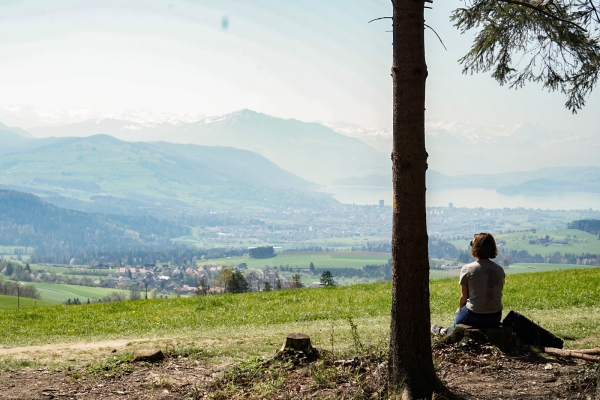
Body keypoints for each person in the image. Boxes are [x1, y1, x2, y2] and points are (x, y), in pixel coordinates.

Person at [431, 232, 505, 336]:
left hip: (474, 315)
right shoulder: (499, 269)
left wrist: (460, 309)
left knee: (457, 326)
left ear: (476, 247)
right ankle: (443, 331)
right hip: (495, 316)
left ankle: (443, 332)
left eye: (472, 243)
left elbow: (464, 297)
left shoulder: (468, 269)